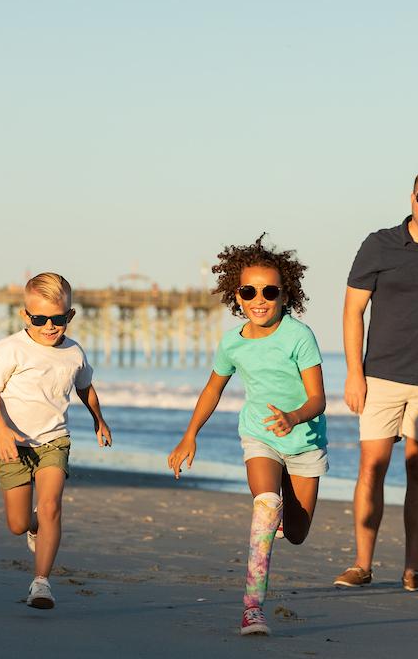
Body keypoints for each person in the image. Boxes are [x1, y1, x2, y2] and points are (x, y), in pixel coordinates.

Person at [167, 235, 327, 637]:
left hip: (304, 440)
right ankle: (252, 608)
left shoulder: (299, 336)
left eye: (269, 291)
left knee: (296, 533)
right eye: (249, 291)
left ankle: (277, 518)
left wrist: (293, 417)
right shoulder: (232, 342)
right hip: (260, 436)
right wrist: (190, 435)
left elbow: (319, 398)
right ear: (235, 294)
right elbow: (212, 389)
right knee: (266, 502)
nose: (259, 299)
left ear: (284, 294)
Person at [335, 168, 418, 592]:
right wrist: (355, 372)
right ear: (411, 197)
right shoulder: (379, 244)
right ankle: (361, 564)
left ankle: (413, 568)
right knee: (372, 466)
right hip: (381, 376)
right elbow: (353, 310)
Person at [0, 272, 113, 609]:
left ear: (70, 315)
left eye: (58, 319)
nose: (49, 326)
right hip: (14, 443)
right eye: (40, 319)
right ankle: (33, 525)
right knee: (18, 523)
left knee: (52, 505)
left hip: (55, 440)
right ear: (26, 316)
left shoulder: (74, 352)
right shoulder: (9, 349)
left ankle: (41, 584)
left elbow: (85, 387)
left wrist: (99, 419)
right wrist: (1, 430)